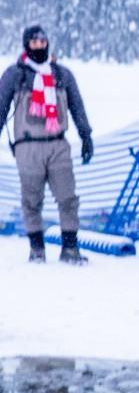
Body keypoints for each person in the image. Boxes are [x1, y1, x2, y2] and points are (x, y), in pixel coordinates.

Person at [0, 25, 93, 264]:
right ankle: (37, 248)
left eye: (42, 41)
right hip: (27, 146)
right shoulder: (15, 75)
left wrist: (86, 136)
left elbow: (77, 107)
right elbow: (1, 107)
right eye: (34, 42)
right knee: (31, 200)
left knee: (68, 198)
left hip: (58, 144)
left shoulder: (62, 74)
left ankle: (70, 248)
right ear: (26, 44)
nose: (39, 46)